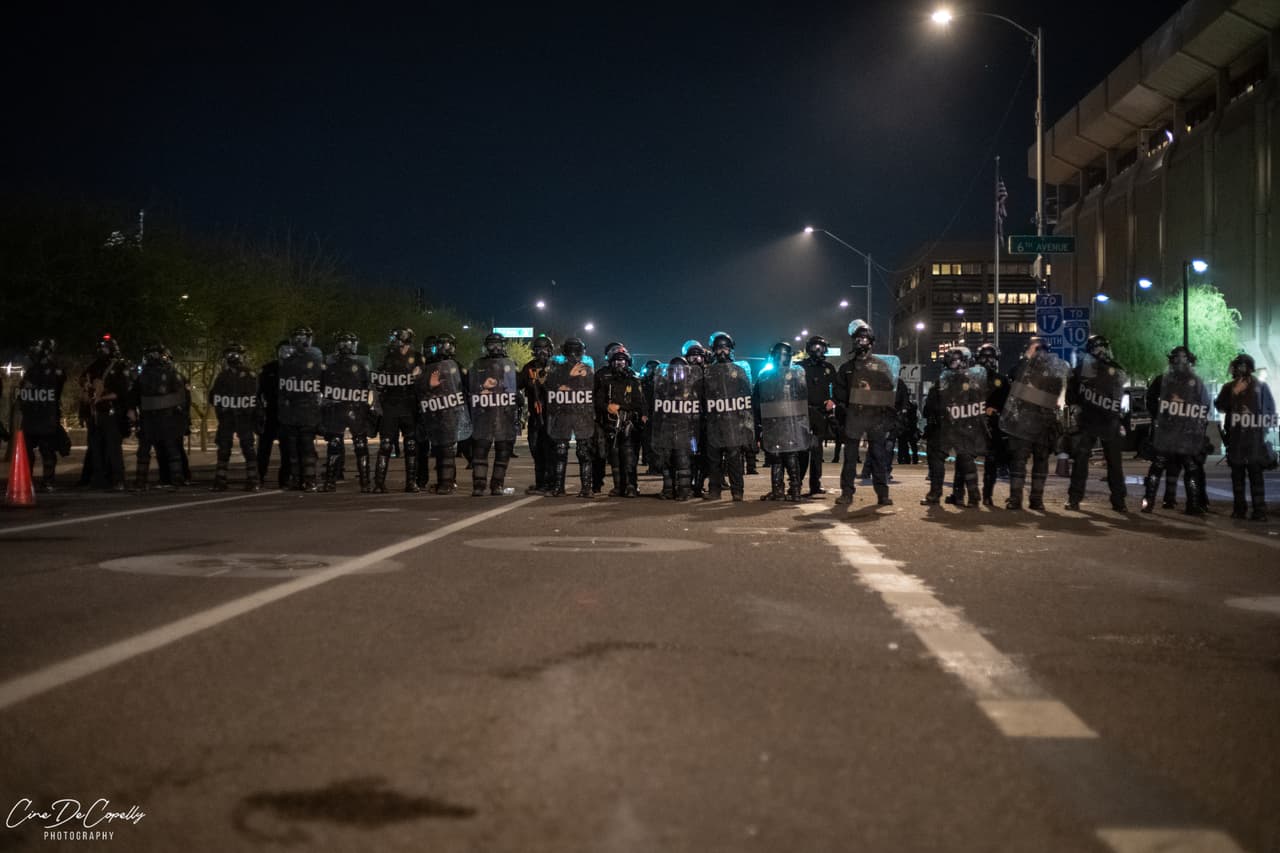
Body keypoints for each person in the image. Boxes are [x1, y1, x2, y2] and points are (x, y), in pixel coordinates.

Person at [999, 337, 1068, 511]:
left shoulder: (1047, 370)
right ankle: (1024, 499)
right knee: (1023, 461)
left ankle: (1030, 499)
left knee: (1035, 461)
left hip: (1035, 421)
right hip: (1030, 421)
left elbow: (1055, 393)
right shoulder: (1028, 368)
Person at [1141, 346, 1211, 515]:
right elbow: (1150, 399)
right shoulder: (1163, 380)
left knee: (1190, 467)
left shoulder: (1195, 381)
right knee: (1158, 466)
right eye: (1177, 358)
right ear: (1172, 360)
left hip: (1185, 432)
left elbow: (1205, 404)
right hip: (1167, 431)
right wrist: (1159, 415)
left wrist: (1197, 422)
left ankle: (1192, 504)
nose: (1180, 361)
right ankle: (1148, 502)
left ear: (1189, 361)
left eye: (1184, 358)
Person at [834, 321, 896, 506]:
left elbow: (889, 390)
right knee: (850, 459)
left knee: (878, 456)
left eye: (864, 339)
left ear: (871, 342)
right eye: (858, 339)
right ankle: (847, 493)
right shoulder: (847, 368)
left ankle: (882, 494)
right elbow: (839, 392)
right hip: (854, 416)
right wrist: (846, 408)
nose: (861, 342)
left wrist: (885, 416)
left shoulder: (880, 366)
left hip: (875, 417)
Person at [1065, 334, 1129, 512]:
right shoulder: (1081, 371)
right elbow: (1071, 398)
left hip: (1108, 419)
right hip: (1089, 420)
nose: (1101, 352)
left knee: (1114, 463)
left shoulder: (1114, 369)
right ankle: (1075, 498)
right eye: (1097, 349)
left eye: (1103, 348)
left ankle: (1118, 501)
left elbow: (1122, 383)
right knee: (1081, 461)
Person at [922, 346, 987, 506]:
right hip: (963, 427)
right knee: (965, 461)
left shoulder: (942, 382)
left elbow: (929, 407)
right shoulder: (974, 383)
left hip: (945, 427)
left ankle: (935, 494)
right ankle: (972, 496)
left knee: (939, 458)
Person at [1215, 352, 1273, 521]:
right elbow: (1220, 406)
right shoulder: (1229, 387)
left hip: (1254, 438)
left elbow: (1269, 410)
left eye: (1241, 366)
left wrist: (1263, 428)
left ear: (1248, 368)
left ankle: (1259, 511)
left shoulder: (1260, 387)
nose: (1238, 369)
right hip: (1236, 438)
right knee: (1237, 476)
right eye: (1237, 366)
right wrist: (1233, 393)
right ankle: (1239, 509)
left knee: (1256, 475)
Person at [755, 341, 809, 501]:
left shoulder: (796, 374)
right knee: (776, 455)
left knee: (787, 455)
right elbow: (758, 399)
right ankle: (781, 490)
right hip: (774, 421)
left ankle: (794, 490)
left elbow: (803, 396)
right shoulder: (766, 375)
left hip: (788, 421)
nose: (781, 359)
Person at [320, 332, 373, 492]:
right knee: (360, 445)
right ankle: (365, 483)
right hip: (355, 409)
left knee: (335, 444)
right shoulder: (362, 365)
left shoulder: (329, 366)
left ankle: (330, 482)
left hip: (337, 408)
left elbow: (322, 387)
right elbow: (367, 386)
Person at [130, 342, 187, 491]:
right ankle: (143, 481)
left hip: (163, 418)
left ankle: (175, 480)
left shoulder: (171, 374)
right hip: (152, 418)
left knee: (168, 450)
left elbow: (181, 399)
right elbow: (134, 396)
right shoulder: (145, 376)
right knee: (149, 450)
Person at [703, 332, 753, 501]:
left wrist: (746, 423)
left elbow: (747, 397)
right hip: (714, 422)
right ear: (713, 350)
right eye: (718, 348)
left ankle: (737, 491)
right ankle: (714, 491)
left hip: (733, 423)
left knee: (734, 460)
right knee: (713, 460)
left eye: (725, 348)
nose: (722, 352)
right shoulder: (708, 372)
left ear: (731, 350)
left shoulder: (739, 371)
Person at [419, 332, 471, 494]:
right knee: (439, 449)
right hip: (434, 412)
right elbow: (421, 388)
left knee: (448, 448)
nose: (443, 348)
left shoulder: (457, 366)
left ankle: (448, 482)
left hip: (452, 412)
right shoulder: (429, 365)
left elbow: (468, 386)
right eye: (440, 345)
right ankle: (443, 480)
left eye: (447, 345)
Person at [469, 333, 520, 496]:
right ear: (486, 346)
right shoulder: (477, 365)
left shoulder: (511, 364)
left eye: (498, 344)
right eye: (492, 344)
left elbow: (517, 386)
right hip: (483, 413)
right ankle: (478, 485)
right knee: (480, 450)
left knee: (503, 450)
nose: (495, 348)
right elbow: (468, 386)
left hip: (504, 414)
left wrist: (518, 398)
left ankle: (497, 485)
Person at [372, 328, 422, 493]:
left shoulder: (417, 358)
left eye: (396, 338)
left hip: (409, 405)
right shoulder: (387, 357)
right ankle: (379, 483)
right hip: (391, 405)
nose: (393, 342)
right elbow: (378, 380)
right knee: (386, 444)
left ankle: (411, 482)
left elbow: (422, 382)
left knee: (411, 444)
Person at [545, 337, 596, 498]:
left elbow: (591, 387)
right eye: (571, 351)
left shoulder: (587, 368)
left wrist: (568, 381)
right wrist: (571, 376)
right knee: (560, 452)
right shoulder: (557, 368)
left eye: (577, 351)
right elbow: (551, 386)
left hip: (582, 412)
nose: (574, 355)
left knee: (584, 452)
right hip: (564, 412)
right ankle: (559, 487)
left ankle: (586, 488)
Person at [276, 327, 325, 492]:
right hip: (298, 412)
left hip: (304, 411)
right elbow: (282, 391)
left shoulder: (312, 361)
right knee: (298, 448)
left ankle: (307, 479)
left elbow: (323, 388)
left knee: (304, 447)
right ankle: (301, 479)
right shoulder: (288, 363)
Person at [208, 343, 261, 491]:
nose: (232, 357)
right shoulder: (223, 376)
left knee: (247, 448)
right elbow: (213, 397)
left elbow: (254, 398)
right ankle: (221, 480)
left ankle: (252, 480)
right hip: (228, 417)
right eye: (229, 355)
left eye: (234, 354)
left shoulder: (249, 375)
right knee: (225, 448)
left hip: (243, 417)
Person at [81, 335, 131, 491]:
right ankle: (99, 480)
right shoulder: (95, 365)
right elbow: (83, 378)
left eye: (105, 348)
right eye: (100, 348)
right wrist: (86, 384)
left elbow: (121, 392)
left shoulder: (120, 367)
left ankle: (118, 480)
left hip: (112, 413)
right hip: (96, 413)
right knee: (95, 448)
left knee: (113, 448)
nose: (102, 351)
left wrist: (101, 397)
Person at [17, 338, 67, 492]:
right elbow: (23, 392)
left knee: (47, 450)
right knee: (32, 451)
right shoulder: (33, 370)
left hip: (45, 416)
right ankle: (32, 480)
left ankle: (47, 481)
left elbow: (55, 388)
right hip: (35, 416)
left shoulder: (52, 371)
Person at [596, 343, 645, 497]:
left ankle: (631, 486)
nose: (620, 363)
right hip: (609, 423)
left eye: (623, 360)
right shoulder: (602, 376)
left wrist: (622, 407)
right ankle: (618, 487)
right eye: (617, 360)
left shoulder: (634, 378)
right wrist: (607, 407)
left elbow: (640, 402)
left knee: (629, 456)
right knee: (614, 456)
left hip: (629, 422)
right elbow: (596, 399)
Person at [652, 356, 700, 500]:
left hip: (684, 428)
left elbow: (696, 410)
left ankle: (684, 491)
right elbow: (656, 409)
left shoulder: (692, 388)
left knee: (683, 460)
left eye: (681, 370)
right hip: (667, 427)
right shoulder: (662, 388)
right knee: (666, 461)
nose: (678, 373)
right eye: (674, 370)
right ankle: (668, 490)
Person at [799, 334, 837, 496]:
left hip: (821, 413)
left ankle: (815, 484)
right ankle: (796, 483)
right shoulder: (800, 367)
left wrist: (832, 401)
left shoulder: (829, 368)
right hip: (802, 412)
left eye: (821, 347)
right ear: (808, 349)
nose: (818, 350)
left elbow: (838, 388)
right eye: (814, 347)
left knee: (817, 452)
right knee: (801, 450)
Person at [518, 334, 556, 494]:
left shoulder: (556, 368)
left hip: (552, 416)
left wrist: (546, 383)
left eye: (545, 349)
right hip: (535, 416)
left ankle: (551, 483)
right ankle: (540, 482)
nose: (542, 352)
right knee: (535, 448)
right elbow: (518, 384)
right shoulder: (529, 367)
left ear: (550, 350)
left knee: (549, 450)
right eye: (539, 349)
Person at [975, 342, 1010, 506]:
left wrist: (995, 411)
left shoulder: (1002, 381)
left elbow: (1008, 405)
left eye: (991, 358)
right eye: (984, 358)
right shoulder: (970, 379)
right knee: (965, 459)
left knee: (991, 461)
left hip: (992, 426)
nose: (988, 361)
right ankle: (963, 494)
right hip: (973, 424)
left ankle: (986, 495)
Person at [256, 341, 289, 489]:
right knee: (264, 447)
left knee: (287, 447)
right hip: (271, 412)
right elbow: (257, 392)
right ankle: (259, 475)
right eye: (282, 350)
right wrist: (259, 410)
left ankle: (286, 478)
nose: (285, 353)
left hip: (289, 413)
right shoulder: (268, 369)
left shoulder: (297, 369)